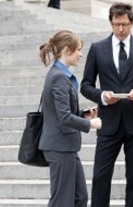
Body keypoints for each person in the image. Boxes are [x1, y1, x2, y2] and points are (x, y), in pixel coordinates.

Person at [80, 2, 133, 207]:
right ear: (110, 23)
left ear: (132, 23)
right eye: (116, 24)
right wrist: (103, 96)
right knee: (100, 176)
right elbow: (86, 85)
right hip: (109, 122)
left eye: (124, 24)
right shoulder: (97, 48)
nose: (121, 29)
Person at [38, 30, 102, 207]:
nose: (81, 54)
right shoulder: (58, 77)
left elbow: (61, 112)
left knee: (79, 198)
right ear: (67, 50)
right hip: (59, 147)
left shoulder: (59, 75)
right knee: (61, 201)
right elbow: (64, 117)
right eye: (78, 50)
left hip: (66, 147)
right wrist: (91, 124)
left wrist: (83, 114)